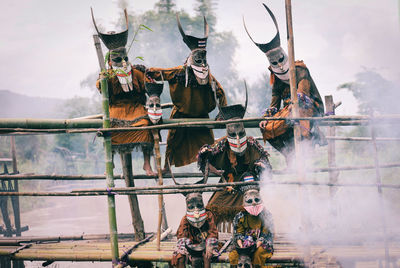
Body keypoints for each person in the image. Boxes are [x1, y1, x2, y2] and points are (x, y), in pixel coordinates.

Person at [244, 3, 325, 165]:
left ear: (285, 56)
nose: (280, 65)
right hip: (287, 112)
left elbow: (303, 96)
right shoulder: (276, 77)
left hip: (309, 107)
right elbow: (274, 103)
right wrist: (267, 117)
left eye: (281, 60)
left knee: (298, 113)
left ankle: (308, 145)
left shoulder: (300, 70)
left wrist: (291, 108)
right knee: (267, 126)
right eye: (275, 63)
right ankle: (290, 152)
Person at [146, 15, 227, 170]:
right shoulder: (178, 72)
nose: (202, 63)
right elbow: (159, 73)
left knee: (208, 144)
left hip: (201, 117)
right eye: (198, 60)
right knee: (173, 140)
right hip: (181, 115)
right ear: (191, 59)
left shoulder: (208, 77)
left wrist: (221, 113)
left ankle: (209, 165)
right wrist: (146, 72)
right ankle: (167, 167)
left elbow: (220, 92)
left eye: (204, 60)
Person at [92, 8, 155, 175]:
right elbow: (99, 86)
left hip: (136, 108)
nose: (122, 62)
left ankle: (147, 163)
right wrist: (105, 78)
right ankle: (110, 165)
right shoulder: (108, 75)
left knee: (145, 125)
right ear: (111, 61)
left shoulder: (137, 73)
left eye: (124, 58)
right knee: (110, 128)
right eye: (117, 60)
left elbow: (150, 86)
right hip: (117, 110)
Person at [197, 93, 272, 224]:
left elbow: (264, 160)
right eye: (233, 134)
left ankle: (255, 228)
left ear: (244, 130)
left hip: (248, 182)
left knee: (253, 203)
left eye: (240, 134)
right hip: (229, 183)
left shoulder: (251, 143)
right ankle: (214, 232)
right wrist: (214, 168)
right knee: (213, 208)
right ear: (227, 132)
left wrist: (260, 165)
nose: (237, 139)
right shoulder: (222, 144)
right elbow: (204, 158)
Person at [229, 172, 274, 268]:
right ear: (244, 201)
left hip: (261, 244)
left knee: (258, 254)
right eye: (249, 201)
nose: (253, 203)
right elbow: (238, 233)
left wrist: (257, 244)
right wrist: (241, 246)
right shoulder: (240, 216)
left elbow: (266, 233)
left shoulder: (266, 215)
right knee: (233, 255)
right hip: (245, 246)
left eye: (256, 200)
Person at [171, 190, 218, 268]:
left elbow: (212, 232)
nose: (196, 209)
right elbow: (181, 235)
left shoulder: (208, 215)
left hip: (205, 244)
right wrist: (183, 248)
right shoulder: (185, 218)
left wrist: (210, 246)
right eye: (191, 207)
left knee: (207, 256)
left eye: (199, 205)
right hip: (191, 246)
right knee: (180, 257)